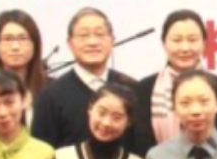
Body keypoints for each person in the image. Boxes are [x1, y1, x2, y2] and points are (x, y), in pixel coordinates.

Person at [31, 8, 138, 151]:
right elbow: (42, 152)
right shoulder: (50, 95)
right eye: (83, 35)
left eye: (99, 34)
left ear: (112, 41)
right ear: (70, 43)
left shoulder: (132, 89)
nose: (92, 42)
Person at [131, 10, 217, 158]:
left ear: (204, 43)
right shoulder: (145, 88)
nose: (185, 48)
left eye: (192, 40)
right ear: (164, 43)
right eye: (177, 40)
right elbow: (140, 142)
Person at [0, 10, 47, 105]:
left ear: (35, 44)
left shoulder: (51, 88)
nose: (15, 47)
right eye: (8, 39)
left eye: (22, 38)